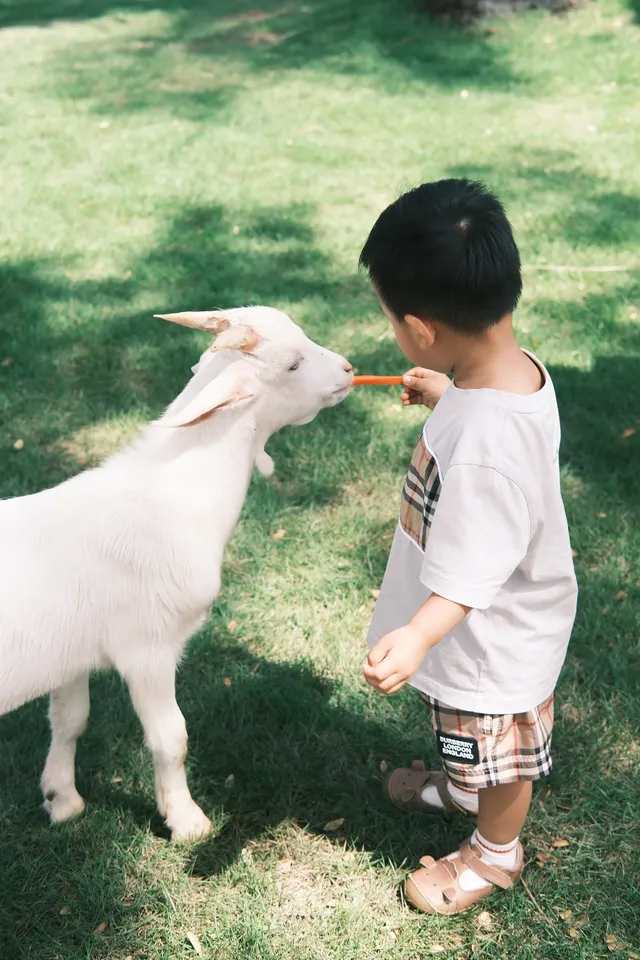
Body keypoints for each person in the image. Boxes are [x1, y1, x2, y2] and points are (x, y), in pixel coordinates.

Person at [359, 179, 577, 915]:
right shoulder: (509, 376)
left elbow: (470, 572)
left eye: (392, 320)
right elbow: (492, 438)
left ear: (420, 330)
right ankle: (460, 788)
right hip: (493, 622)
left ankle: (494, 854)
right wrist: (450, 399)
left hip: (491, 642)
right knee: (470, 743)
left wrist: (418, 636)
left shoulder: (484, 442)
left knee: (500, 748)